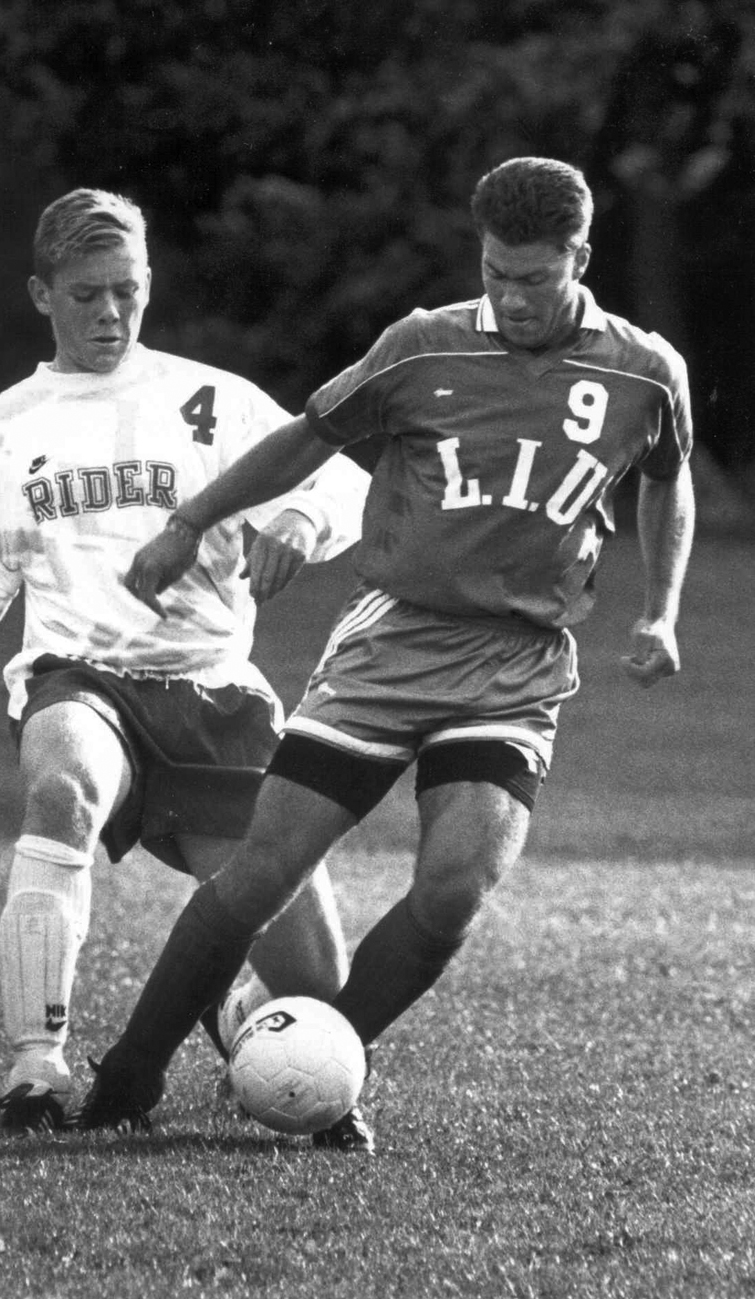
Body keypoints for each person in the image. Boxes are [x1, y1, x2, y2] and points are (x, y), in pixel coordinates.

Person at [73, 156, 695, 1154]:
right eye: (497, 272)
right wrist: (191, 520)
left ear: (580, 256)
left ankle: (318, 1063)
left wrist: (661, 609)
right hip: (391, 644)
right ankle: (126, 1076)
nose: (513, 295)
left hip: (519, 663)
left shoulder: (643, 370)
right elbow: (307, 439)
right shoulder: (421, 347)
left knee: (458, 883)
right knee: (264, 869)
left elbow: (668, 479)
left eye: (535, 277)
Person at [0, 188, 371, 1137]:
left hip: (216, 691)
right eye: (86, 294)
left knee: (319, 980)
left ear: (149, 286)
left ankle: (237, 1021)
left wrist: (300, 517)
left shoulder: (210, 401)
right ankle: (37, 1069)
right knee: (63, 787)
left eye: (127, 291)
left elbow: (343, 480)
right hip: (80, 678)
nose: (110, 314)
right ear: (41, 295)